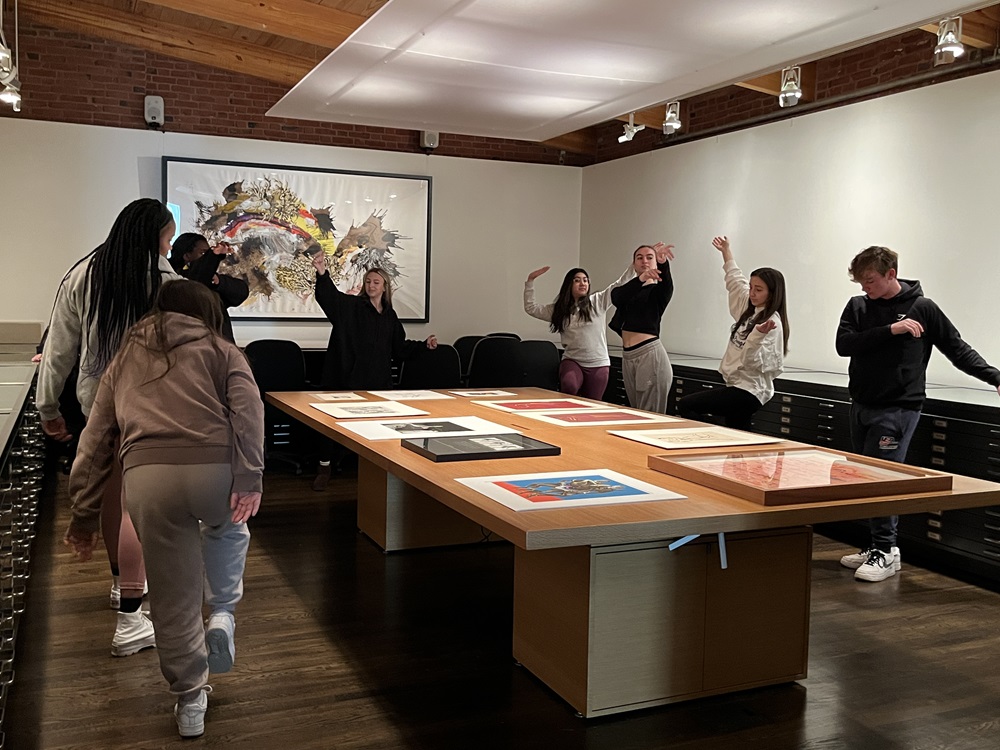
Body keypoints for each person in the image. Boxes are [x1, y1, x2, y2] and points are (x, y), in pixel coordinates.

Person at [64, 280, 264, 739]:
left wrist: (83, 511)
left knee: (172, 591)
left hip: (148, 478)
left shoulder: (125, 356)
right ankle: (223, 613)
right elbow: (249, 411)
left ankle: (190, 699)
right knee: (228, 528)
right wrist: (250, 477)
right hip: (214, 469)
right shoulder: (222, 350)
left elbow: (95, 438)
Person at [36, 198, 179, 654]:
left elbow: (59, 349)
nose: (168, 247)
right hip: (152, 407)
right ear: (155, 237)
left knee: (112, 491)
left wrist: (47, 408)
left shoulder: (83, 272)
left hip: (97, 405)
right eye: (168, 239)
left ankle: (122, 584)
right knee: (138, 503)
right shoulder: (168, 281)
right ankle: (131, 615)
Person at [835, 245, 1000, 582]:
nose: (864, 287)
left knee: (882, 479)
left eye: (869, 280)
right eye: (860, 281)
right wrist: (890, 331)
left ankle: (885, 550)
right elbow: (844, 345)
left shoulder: (923, 308)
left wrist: (995, 378)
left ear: (890, 274)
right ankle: (879, 547)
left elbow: (957, 348)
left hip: (898, 408)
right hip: (862, 405)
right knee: (865, 479)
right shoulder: (858, 306)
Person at [310, 252, 438, 490]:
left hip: (376, 383)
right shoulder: (351, 307)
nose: (371, 285)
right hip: (345, 380)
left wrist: (425, 345)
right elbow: (329, 298)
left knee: (377, 427)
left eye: (376, 282)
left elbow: (399, 348)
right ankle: (324, 469)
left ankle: (374, 468)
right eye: (368, 281)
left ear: (384, 287)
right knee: (329, 427)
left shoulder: (389, 316)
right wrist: (321, 273)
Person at [677, 236, 789, 430]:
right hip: (736, 386)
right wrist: (726, 251)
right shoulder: (750, 309)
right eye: (752, 288)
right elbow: (735, 281)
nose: (752, 293)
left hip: (750, 391)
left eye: (758, 290)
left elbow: (752, 362)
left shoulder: (772, 324)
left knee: (686, 405)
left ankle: (717, 437)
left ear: (772, 293)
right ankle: (737, 451)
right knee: (738, 433)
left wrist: (756, 337)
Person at [523, 263, 634, 399]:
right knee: (570, 385)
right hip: (573, 360)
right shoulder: (559, 310)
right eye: (577, 280)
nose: (582, 283)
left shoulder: (597, 302)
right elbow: (531, 308)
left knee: (592, 403)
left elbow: (620, 284)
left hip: (598, 363)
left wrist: (635, 267)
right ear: (569, 285)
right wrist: (530, 281)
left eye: (585, 280)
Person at [608, 241, 676, 413]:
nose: (644, 261)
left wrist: (663, 263)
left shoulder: (657, 291)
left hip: (649, 354)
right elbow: (616, 296)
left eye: (649, 257)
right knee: (636, 412)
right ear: (634, 264)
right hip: (628, 356)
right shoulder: (630, 289)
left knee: (649, 414)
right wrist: (641, 279)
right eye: (639, 258)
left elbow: (667, 284)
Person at [168, 233, 250, 343]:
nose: (207, 257)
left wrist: (219, 282)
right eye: (203, 253)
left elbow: (241, 292)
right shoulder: (174, 282)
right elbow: (196, 281)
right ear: (187, 256)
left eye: (208, 253)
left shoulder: (212, 280)